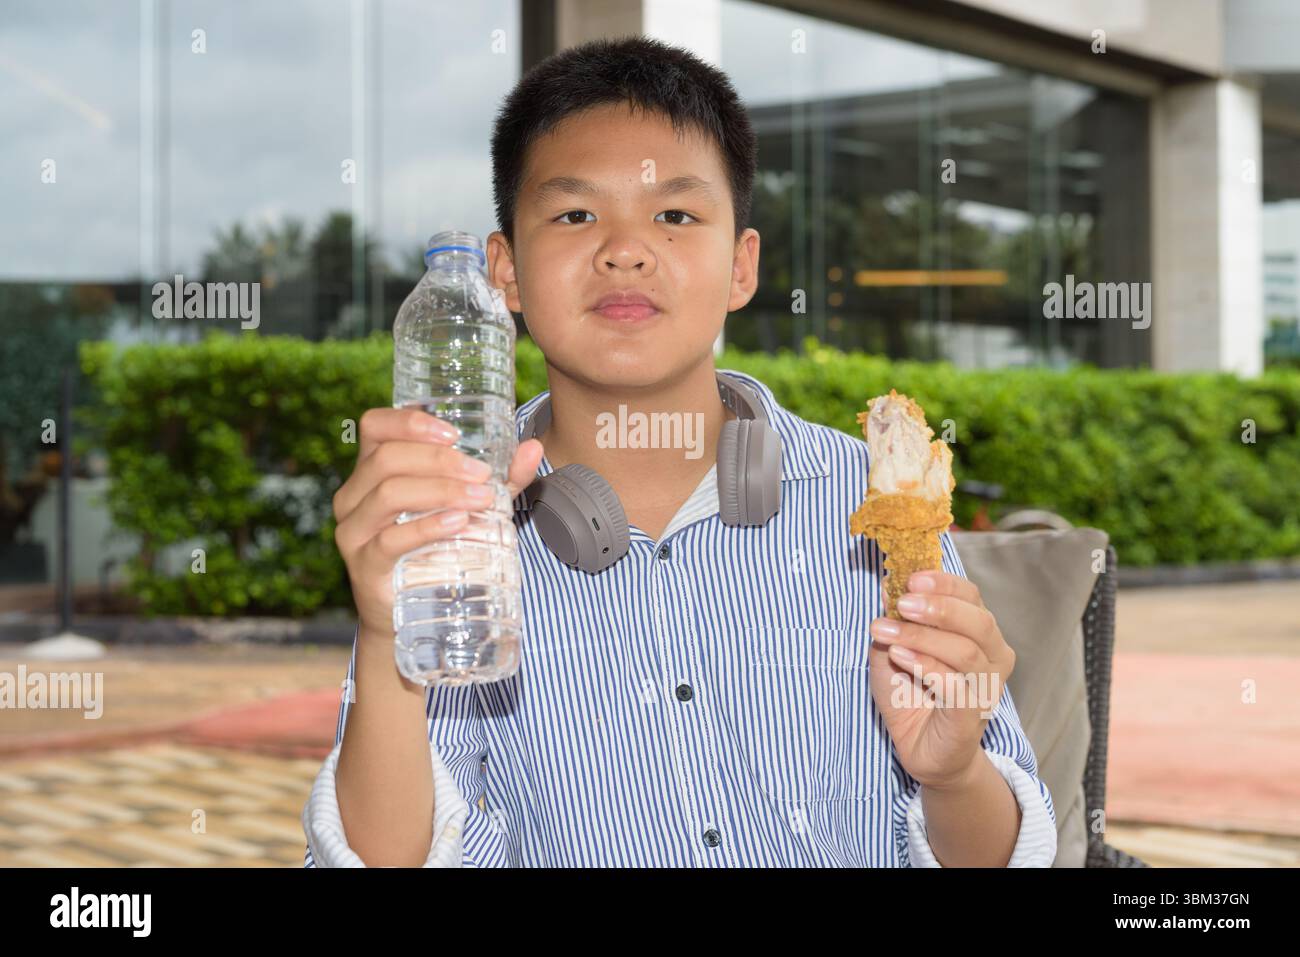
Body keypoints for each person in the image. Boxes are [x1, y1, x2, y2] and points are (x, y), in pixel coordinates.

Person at [303, 35, 1056, 867]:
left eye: (675, 215)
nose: (626, 249)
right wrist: (385, 634)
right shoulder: (450, 519)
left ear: (741, 266)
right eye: (576, 213)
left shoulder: (869, 498)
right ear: (504, 272)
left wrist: (950, 775)